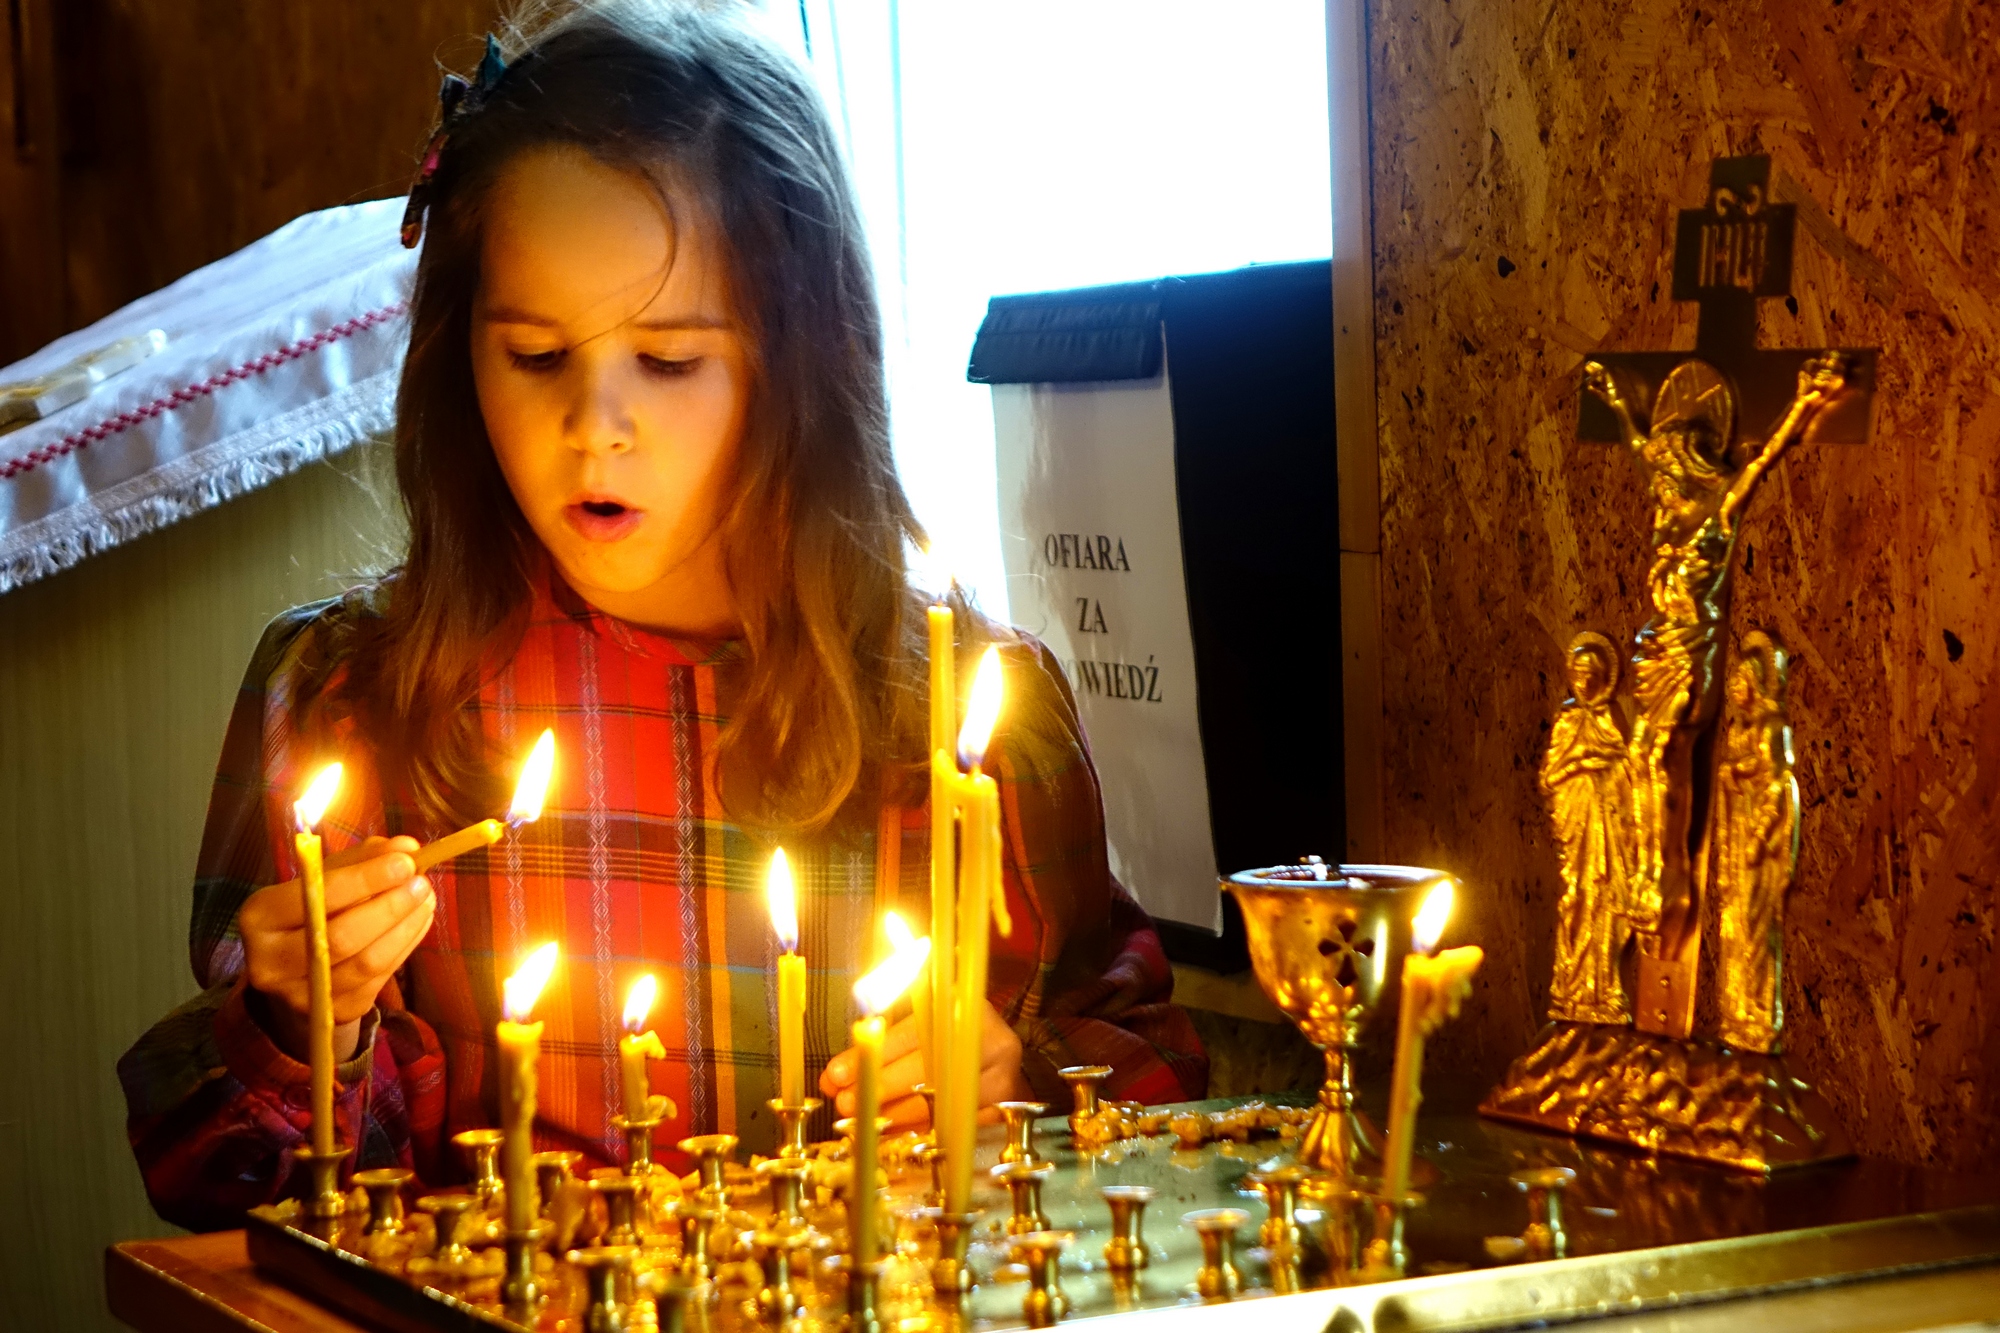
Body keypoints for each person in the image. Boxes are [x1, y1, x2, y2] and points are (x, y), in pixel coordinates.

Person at [118, 2, 1205, 1233]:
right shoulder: (352, 699)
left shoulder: (970, 715)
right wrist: (299, 1027)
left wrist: (1019, 1090)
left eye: (671, 361)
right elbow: (211, 1183)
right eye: (534, 355)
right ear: (455, 356)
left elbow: (1151, 1083)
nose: (595, 424)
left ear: (804, 362)